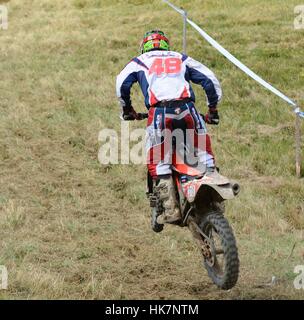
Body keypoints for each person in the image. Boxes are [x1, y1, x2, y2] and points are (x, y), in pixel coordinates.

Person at [116, 30, 222, 225]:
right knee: (204, 153)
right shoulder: (180, 58)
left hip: (160, 113)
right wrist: (212, 109)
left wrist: (127, 110)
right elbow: (210, 79)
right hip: (188, 110)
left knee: (158, 161)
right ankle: (214, 195)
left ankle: (171, 209)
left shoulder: (140, 61)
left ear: (144, 47)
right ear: (166, 45)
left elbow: (121, 84)